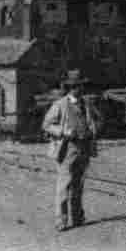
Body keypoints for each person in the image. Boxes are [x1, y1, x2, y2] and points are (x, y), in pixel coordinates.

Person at [42, 70, 99, 232]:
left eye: (80, 86)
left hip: (84, 147)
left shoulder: (86, 104)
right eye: (74, 86)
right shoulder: (60, 105)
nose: (78, 89)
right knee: (64, 185)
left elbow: (96, 120)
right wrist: (62, 131)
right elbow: (46, 125)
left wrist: (93, 129)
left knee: (79, 185)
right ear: (69, 88)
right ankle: (61, 220)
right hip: (67, 148)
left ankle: (77, 217)